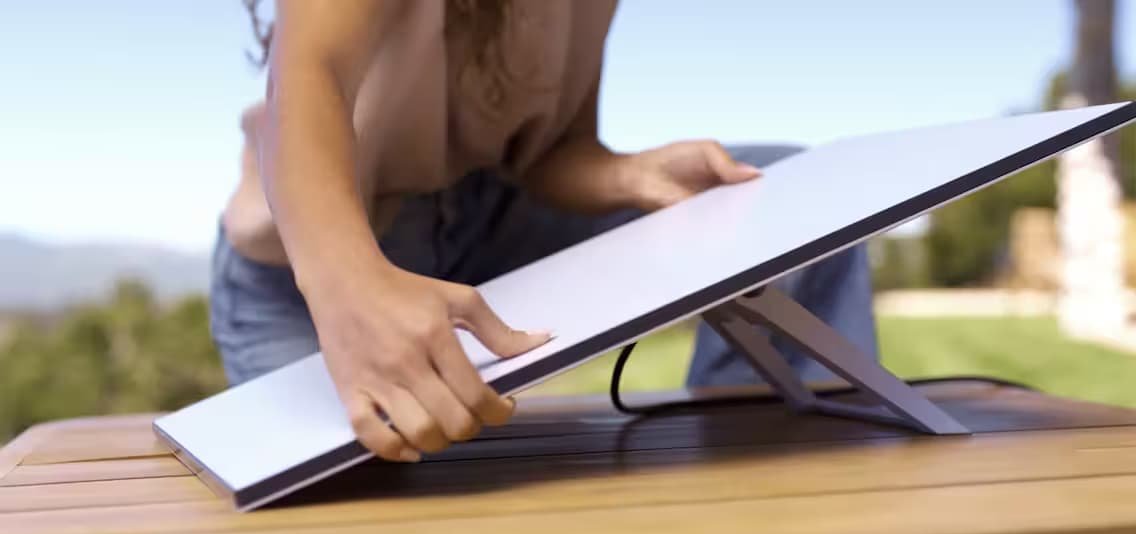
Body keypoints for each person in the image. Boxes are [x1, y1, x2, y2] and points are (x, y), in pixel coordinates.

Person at [212, 0, 877, 465]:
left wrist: (624, 176)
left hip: (492, 218)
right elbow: (303, 82)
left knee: (791, 191)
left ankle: (756, 460)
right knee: (374, 500)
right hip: (317, 256)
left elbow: (556, 152)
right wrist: (349, 287)